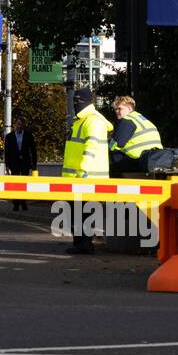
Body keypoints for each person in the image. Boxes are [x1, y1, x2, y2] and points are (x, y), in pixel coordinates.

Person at [63, 88, 113, 254]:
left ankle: (84, 244)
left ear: (87, 102)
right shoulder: (80, 120)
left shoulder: (93, 121)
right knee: (76, 212)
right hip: (75, 176)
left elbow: (91, 147)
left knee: (83, 213)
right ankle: (80, 243)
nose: (76, 104)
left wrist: (82, 170)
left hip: (87, 176)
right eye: (74, 101)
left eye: (78, 101)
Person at [108, 95, 163, 177]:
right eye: (115, 109)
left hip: (137, 159)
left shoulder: (126, 121)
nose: (117, 111)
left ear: (130, 108)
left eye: (120, 108)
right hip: (155, 157)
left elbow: (116, 144)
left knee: (109, 158)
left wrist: (107, 146)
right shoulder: (142, 119)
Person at [4, 117, 38, 211]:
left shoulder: (28, 135)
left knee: (23, 183)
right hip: (14, 162)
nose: (19, 126)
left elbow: (33, 150)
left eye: (21, 124)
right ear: (15, 125)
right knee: (15, 183)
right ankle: (15, 203)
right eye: (17, 124)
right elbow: (7, 151)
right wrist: (7, 165)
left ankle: (23, 202)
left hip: (25, 162)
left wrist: (34, 163)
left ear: (23, 126)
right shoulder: (9, 136)